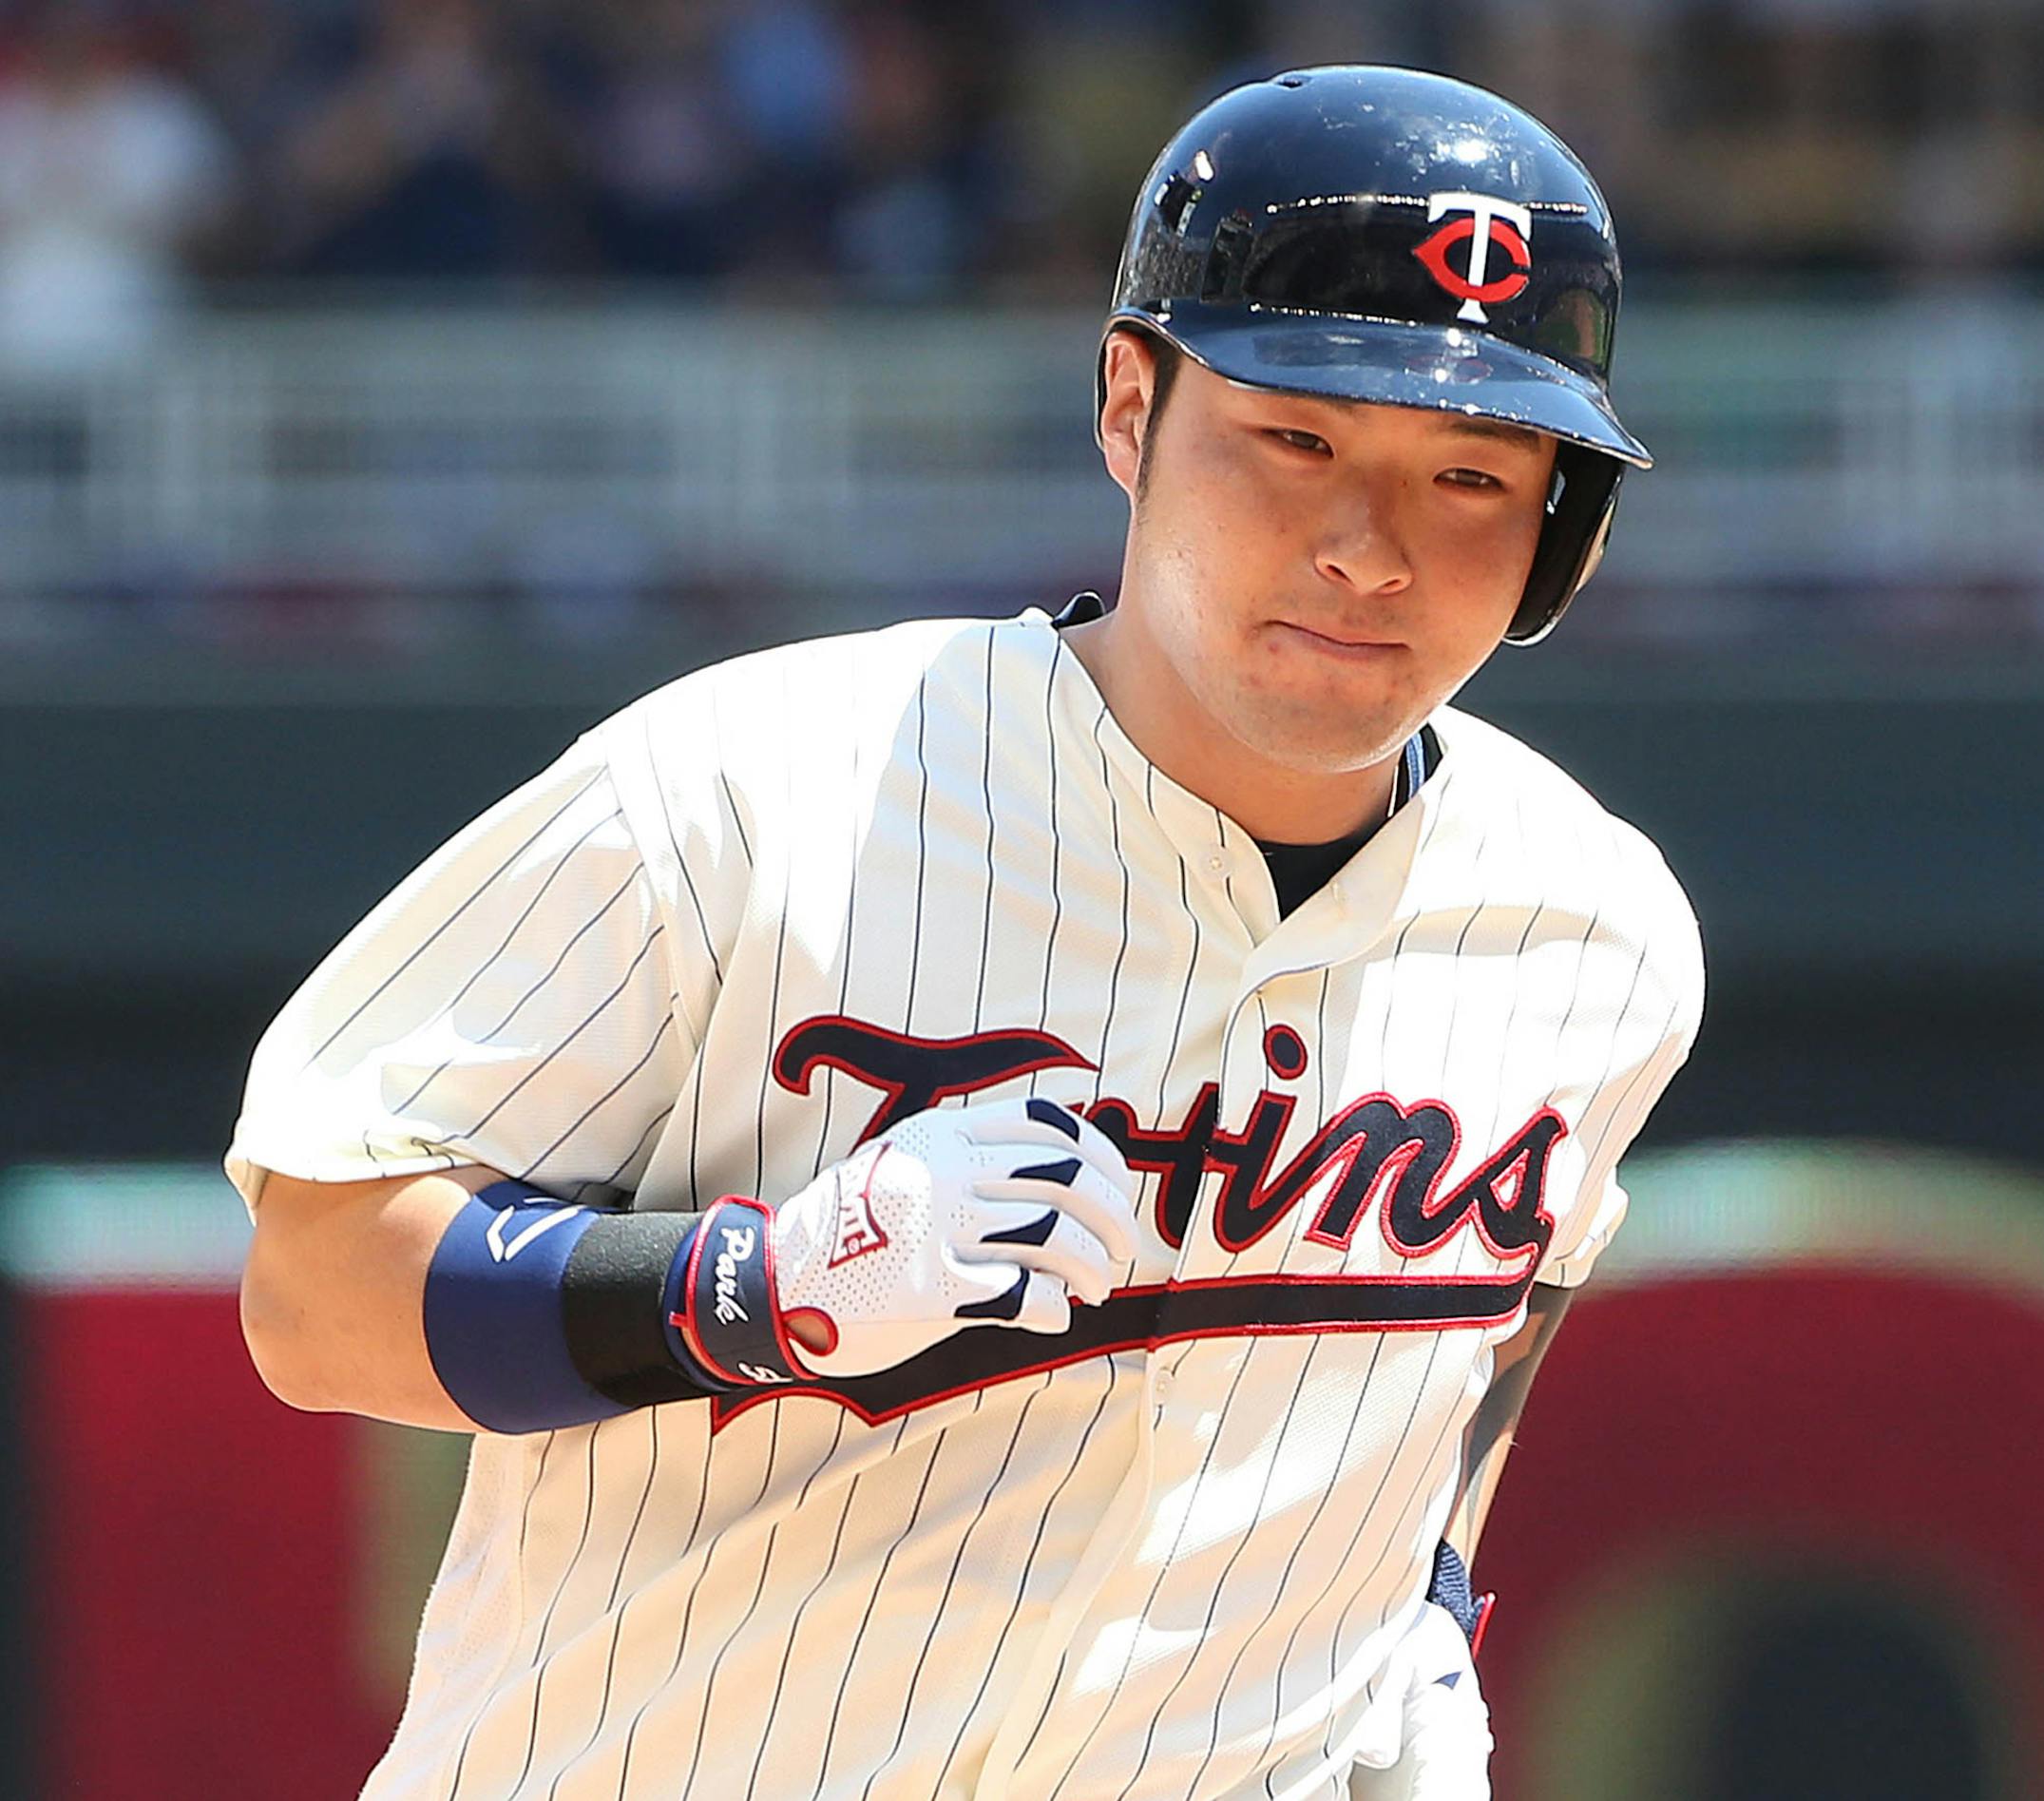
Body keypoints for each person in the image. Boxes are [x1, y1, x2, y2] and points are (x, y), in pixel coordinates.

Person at [230, 65, 1702, 1801]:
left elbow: (1477, 1362)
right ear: (1131, 406)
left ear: (1560, 527)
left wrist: (1425, 1621)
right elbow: (312, 1295)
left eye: (1468, 473)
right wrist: (753, 1289)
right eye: (1299, 441)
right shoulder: (746, 789)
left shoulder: (1597, 931)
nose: (1370, 550)